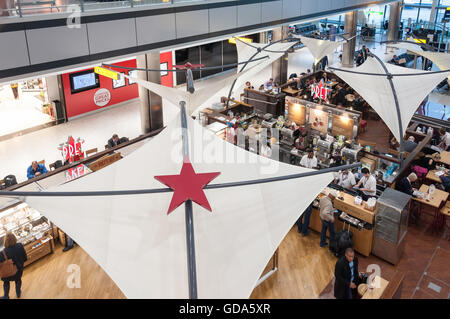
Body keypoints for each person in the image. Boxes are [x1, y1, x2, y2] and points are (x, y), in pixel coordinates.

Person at [0, 232, 27, 299]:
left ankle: (6, 296)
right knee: (18, 280)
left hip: (7, 273)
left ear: (5, 241)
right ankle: (18, 293)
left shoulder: (2, 252)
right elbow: (25, 258)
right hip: (19, 269)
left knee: (6, 282)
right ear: (15, 238)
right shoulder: (20, 246)